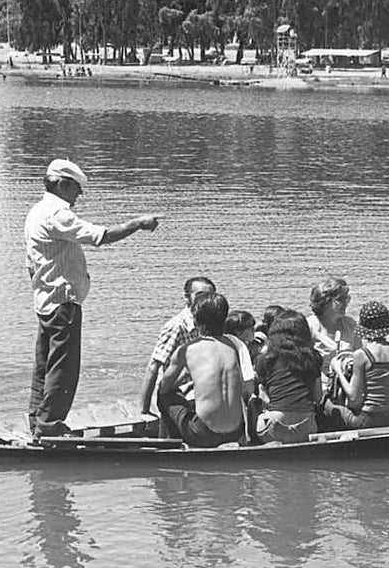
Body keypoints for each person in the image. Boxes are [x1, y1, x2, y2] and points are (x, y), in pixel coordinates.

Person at [24, 158, 161, 438]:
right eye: (76, 188)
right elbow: (101, 236)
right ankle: (49, 428)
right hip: (63, 301)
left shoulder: (36, 212)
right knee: (63, 368)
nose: (79, 195)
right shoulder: (57, 214)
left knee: (45, 365)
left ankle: (38, 421)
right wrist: (138, 223)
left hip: (46, 299)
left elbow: (30, 263)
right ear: (62, 184)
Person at [157, 292, 245, 448]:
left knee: (164, 396)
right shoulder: (235, 345)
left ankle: (169, 445)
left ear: (196, 319)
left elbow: (165, 386)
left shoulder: (187, 350)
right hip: (236, 431)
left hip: (204, 434)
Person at [321, 301, 389, 431]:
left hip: (365, 421)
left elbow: (353, 398)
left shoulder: (362, 355)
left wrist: (338, 370)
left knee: (325, 405)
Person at [137, 276, 216, 419]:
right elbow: (153, 366)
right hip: (177, 392)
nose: (206, 299)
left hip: (199, 389)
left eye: (210, 296)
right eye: (200, 295)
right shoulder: (176, 326)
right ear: (187, 298)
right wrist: (145, 410)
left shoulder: (206, 325)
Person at [254, 310, 323, 443]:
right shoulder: (313, 357)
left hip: (272, 428)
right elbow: (317, 397)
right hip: (307, 427)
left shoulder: (266, 359)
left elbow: (263, 396)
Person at [306, 277, 361, 396]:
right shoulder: (310, 326)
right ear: (324, 302)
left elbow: (361, 359)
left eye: (347, 298)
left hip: (348, 388)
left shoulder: (350, 325)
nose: (346, 303)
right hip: (320, 391)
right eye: (340, 299)